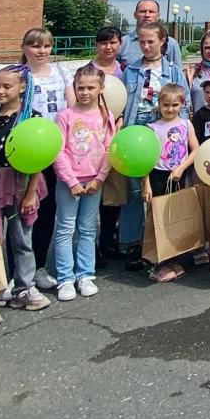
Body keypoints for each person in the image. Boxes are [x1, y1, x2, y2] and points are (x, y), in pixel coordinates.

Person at [0, 66, 50, 313]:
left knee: (22, 239)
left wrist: (30, 193)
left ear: (22, 88)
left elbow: (39, 158)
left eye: (7, 86)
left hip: (19, 186)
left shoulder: (32, 120)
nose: (0, 91)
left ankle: (24, 287)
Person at [119, 21, 187, 268]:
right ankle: (133, 244)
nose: (146, 46)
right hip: (137, 135)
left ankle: (164, 243)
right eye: (142, 42)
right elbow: (122, 106)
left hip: (166, 138)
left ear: (162, 42)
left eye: (151, 41)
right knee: (136, 192)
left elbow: (185, 105)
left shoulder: (173, 72)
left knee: (163, 193)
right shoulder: (131, 71)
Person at [52, 64, 116, 301]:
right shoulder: (65, 116)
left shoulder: (104, 115)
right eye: (81, 87)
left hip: (93, 182)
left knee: (88, 229)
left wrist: (100, 179)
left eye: (91, 87)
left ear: (101, 88)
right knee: (65, 229)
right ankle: (65, 278)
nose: (85, 92)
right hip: (70, 183)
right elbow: (57, 151)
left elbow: (110, 148)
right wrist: (70, 181)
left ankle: (85, 274)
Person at [18, 27, 74, 291]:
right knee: (21, 212)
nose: (41, 51)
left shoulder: (62, 73)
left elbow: (72, 110)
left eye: (46, 46)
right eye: (35, 46)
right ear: (25, 48)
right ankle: (17, 270)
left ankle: (39, 265)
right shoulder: (18, 76)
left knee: (47, 210)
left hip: (56, 150)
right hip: (27, 151)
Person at [142, 83, 200, 282]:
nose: (170, 109)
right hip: (158, 176)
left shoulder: (186, 124)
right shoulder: (152, 128)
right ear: (158, 105)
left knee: (178, 216)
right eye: (165, 105)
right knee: (159, 218)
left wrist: (181, 168)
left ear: (182, 105)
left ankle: (177, 259)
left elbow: (196, 150)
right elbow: (145, 160)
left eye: (175, 105)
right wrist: (146, 185)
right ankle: (162, 260)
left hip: (179, 175)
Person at [91, 26, 126, 269]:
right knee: (93, 193)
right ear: (97, 46)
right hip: (91, 139)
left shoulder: (124, 70)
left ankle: (107, 242)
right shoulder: (88, 71)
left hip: (117, 136)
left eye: (113, 42)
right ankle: (90, 246)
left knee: (113, 195)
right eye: (104, 43)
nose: (108, 47)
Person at [119, 0, 182, 68]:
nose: (147, 15)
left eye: (151, 12)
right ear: (135, 15)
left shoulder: (170, 44)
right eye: (142, 11)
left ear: (158, 16)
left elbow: (177, 74)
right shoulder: (122, 43)